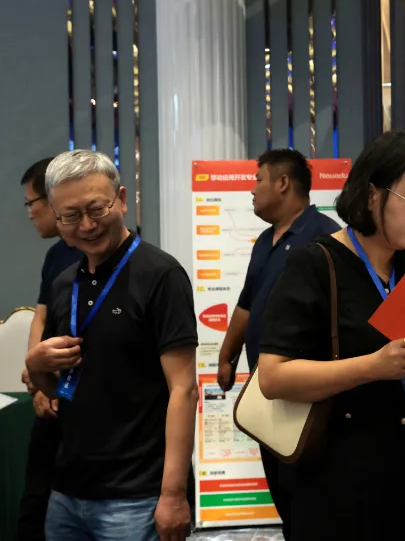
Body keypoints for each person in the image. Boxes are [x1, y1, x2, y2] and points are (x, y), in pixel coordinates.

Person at [256, 131, 405, 541]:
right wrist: (373, 366)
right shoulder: (316, 264)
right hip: (346, 487)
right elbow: (273, 377)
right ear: (372, 194)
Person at [24, 150, 198, 541]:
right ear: (56, 217)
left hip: (137, 495)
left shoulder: (161, 275)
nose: (87, 225)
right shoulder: (64, 284)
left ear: (120, 200)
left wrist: (173, 494)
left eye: (96, 209)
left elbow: (184, 390)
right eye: (71, 215)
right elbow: (62, 391)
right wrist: (36, 368)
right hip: (68, 491)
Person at [216, 149, 339, 537]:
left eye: (258, 180)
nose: (252, 190)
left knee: (312, 499)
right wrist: (227, 355)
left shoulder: (326, 236)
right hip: (265, 391)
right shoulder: (264, 241)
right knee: (283, 494)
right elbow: (247, 304)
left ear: (283, 183)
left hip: (309, 396)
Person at [17, 157, 83, 541]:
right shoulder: (56, 255)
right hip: (50, 392)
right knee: (36, 502)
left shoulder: (95, 254)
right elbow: (41, 316)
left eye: (31, 203)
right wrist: (36, 376)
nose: (29, 213)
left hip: (76, 396)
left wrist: (52, 384)